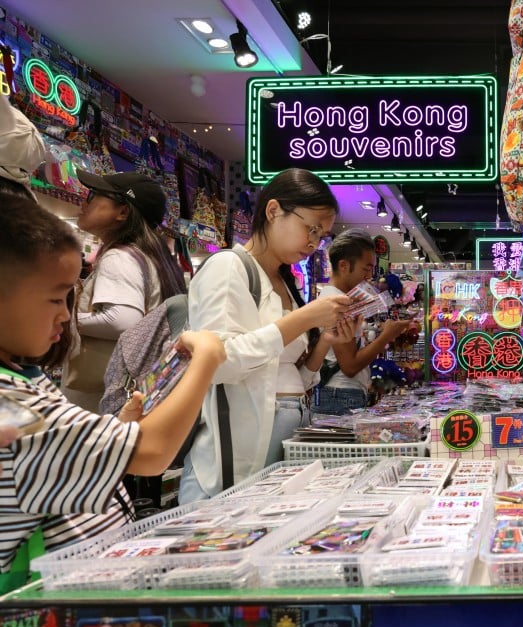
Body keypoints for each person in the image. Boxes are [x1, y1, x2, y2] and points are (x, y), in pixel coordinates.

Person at [0, 194, 225, 579]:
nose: (65, 314)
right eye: (55, 298)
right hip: (42, 608)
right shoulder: (14, 404)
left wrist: (117, 429)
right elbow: (152, 452)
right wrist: (204, 360)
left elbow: (60, 463)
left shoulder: (24, 383)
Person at [178, 168, 352, 503]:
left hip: (273, 461)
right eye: (310, 228)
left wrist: (326, 340)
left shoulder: (284, 282)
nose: (315, 242)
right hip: (229, 470)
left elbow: (286, 375)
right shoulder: (229, 266)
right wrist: (304, 318)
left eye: (322, 235)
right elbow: (217, 363)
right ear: (273, 211)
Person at [62, 171, 187, 411]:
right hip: (142, 390)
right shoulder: (156, 258)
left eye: (94, 195)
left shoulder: (119, 257)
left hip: (102, 396)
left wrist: (64, 319)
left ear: (123, 212)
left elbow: (123, 321)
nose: (84, 202)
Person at [314, 231, 415, 415]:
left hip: (339, 394)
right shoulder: (337, 304)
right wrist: (385, 336)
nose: (369, 276)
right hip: (340, 396)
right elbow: (350, 366)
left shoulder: (338, 299)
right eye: (366, 268)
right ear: (344, 266)